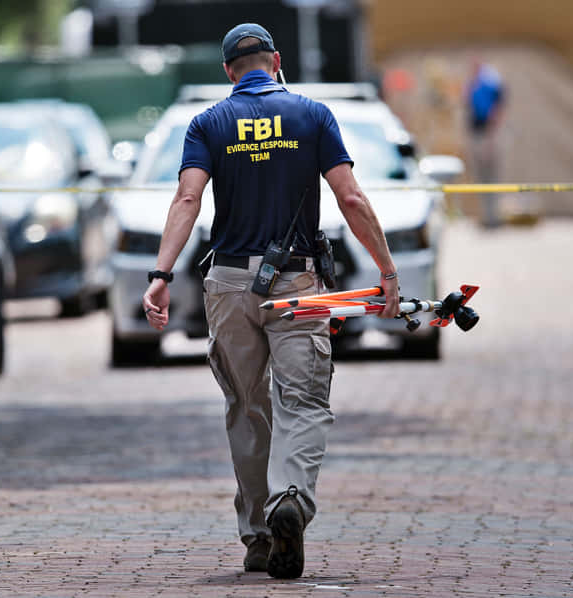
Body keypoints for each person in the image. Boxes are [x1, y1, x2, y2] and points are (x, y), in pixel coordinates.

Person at [141, 23, 400, 579]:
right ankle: (291, 500)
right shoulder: (313, 115)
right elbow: (350, 196)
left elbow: (188, 196)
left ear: (228, 71)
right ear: (276, 61)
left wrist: (161, 273)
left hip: (230, 285)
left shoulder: (208, 123)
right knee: (302, 402)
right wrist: (386, 269)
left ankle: (259, 535)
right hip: (297, 286)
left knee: (247, 407)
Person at [465, 59, 506, 228]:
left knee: (490, 177)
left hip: (487, 136)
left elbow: (495, 113)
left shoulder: (488, 85)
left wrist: (490, 138)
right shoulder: (475, 85)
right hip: (480, 135)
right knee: (483, 178)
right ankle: (488, 215)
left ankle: (492, 217)